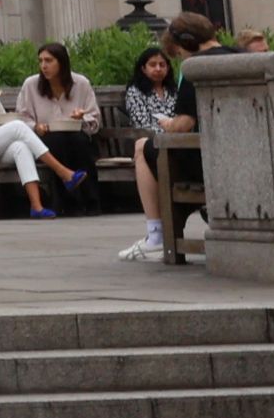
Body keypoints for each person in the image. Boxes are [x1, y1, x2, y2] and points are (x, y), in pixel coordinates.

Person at [0, 51, 87, 215]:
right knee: (17, 127)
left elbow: (2, 122)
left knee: (20, 146)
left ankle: (36, 206)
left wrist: (4, 119)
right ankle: (63, 172)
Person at [121, 41, 194, 262]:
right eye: (152, 64)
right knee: (142, 144)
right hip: (154, 138)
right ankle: (156, 234)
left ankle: (157, 233)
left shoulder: (175, 90)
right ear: (143, 68)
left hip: (178, 139)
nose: (158, 69)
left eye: (162, 64)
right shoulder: (136, 91)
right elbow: (140, 121)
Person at [15, 43, 103, 194]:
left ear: (62, 62)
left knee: (79, 141)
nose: (43, 66)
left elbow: (94, 120)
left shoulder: (81, 83)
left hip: (77, 135)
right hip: (45, 139)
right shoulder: (31, 85)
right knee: (57, 141)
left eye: (49, 61)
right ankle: (67, 200)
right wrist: (35, 127)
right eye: (41, 61)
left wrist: (81, 118)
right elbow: (22, 117)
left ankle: (90, 199)